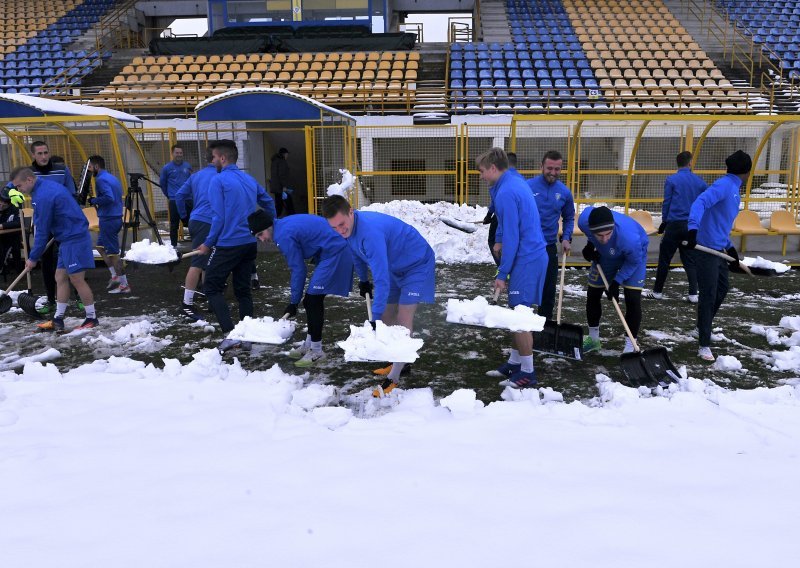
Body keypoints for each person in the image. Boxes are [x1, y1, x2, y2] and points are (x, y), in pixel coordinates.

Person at [322, 194, 435, 397]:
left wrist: (372, 319)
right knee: (386, 317)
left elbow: (382, 280)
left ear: (351, 212)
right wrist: (364, 280)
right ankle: (399, 360)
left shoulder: (370, 233)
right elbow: (356, 254)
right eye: (334, 228)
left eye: (341, 224)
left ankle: (395, 376)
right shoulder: (350, 230)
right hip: (395, 265)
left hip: (416, 263)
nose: (340, 231)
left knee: (402, 318)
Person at [195, 140, 275, 352]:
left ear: (222, 158)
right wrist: (268, 225)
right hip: (249, 244)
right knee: (243, 291)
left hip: (228, 245)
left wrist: (207, 243)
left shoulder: (218, 181)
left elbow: (219, 217)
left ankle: (230, 335)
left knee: (211, 287)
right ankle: (246, 335)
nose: (212, 162)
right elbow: (267, 201)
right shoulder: (248, 179)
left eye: (213, 158)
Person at [478, 148, 548, 388]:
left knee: (520, 317)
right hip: (527, 255)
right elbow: (504, 221)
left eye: (483, 171)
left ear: (494, 169)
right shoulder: (511, 181)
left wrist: (502, 273)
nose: (481, 176)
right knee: (514, 312)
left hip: (527, 257)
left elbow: (514, 236)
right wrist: (497, 238)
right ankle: (515, 363)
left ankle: (528, 373)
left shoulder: (507, 191)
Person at [249, 210, 354, 367]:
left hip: (336, 251)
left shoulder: (283, 235)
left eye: (261, 234)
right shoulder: (281, 227)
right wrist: (296, 302)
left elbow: (298, 269)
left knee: (313, 301)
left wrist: (293, 302)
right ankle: (310, 344)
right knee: (310, 301)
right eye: (258, 238)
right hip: (329, 250)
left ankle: (317, 351)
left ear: (269, 226)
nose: (262, 239)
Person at [683, 150, 751, 362]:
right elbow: (699, 203)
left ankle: (702, 326)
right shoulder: (724, 186)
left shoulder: (733, 189)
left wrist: (729, 247)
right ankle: (704, 344)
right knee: (708, 295)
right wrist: (693, 229)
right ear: (747, 172)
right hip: (706, 250)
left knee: (722, 288)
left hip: (719, 249)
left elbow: (719, 221)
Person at [11, 167, 98, 331]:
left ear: (29, 180)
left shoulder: (44, 195)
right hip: (65, 238)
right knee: (60, 276)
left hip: (75, 238)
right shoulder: (42, 189)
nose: (19, 190)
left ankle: (91, 318)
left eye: (19, 186)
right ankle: (58, 318)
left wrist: (33, 258)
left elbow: (42, 232)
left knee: (77, 279)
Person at [579, 206, 649, 354]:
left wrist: (616, 282)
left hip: (633, 257)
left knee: (632, 298)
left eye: (608, 234)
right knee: (593, 293)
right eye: (599, 235)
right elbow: (593, 235)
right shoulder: (584, 221)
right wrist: (590, 245)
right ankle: (593, 340)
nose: (604, 239)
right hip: (607, 256)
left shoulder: (630, 239)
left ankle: (630, 345)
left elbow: (633, 262)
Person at [644, 151, 707, 303]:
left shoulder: (672, 180)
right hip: (691, 226)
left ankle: (658, 291)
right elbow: (705, 200)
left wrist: (664, 221)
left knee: (665, 259)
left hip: (674, 225)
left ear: (677, 163)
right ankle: (693, 294)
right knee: (689, 260)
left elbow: (667, 202)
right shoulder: (699, 181)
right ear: (690, 162)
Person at [527, 150, 575, 320]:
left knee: (548, 291)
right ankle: (523, 327)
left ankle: (543, 327)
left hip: (548, 247)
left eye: (557, 169)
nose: (553, 173)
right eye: (549, 168)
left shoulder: (564, 192)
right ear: (541, 167)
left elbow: (569, 217)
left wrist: (567, 237)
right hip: (527, 247)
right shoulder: (528, 187)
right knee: (525, 289)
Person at [29, 141, 77, 314]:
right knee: (47, 261)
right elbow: (14, 188)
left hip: (63, 224)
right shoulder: (29, 174)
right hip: (43, 224)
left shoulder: (61, 170)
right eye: (39, 153)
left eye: (45, 152)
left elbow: (72, 194)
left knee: (70, 259)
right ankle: (51, 299)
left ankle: (78, 295)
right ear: (33, 155)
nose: (43, 156)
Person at [175, 146, 217, 320]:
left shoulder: (196, 175)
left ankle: (209, 297)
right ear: (217, 158)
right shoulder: (220, 176)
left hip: (197, 220)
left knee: (208, 261)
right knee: (199, 262)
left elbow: (179, 195)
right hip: (207, 221)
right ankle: (187, 304)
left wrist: (184, 216)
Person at [87, 155, 129, 294]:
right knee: (100, 247)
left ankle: (124, 285)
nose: (89, 170)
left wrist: (94, 201)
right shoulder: (111, 177)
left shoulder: (100, 180)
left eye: (90, 167)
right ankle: (115, 276)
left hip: (109, 219)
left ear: (96, 167)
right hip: (113, 217)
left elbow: (109, 197)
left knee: (113, 254)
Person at [483, 151, 522, 266]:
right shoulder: (521, 179)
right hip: (519, 218)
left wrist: (489, 215)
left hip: (503, 216)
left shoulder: (499, 180)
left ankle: (503, 267)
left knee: (493, 241)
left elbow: (497, 202)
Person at [159, 144, 193, 247]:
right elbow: (162, 184)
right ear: (172, 154)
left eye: (181, 153)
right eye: (177, 153)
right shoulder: (166, 168)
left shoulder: (188, 166)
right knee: (174, 225)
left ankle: (195, 246)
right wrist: (169, 195)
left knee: (192, 223)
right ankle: (173, 247)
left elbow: (192, 182)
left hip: (187, 200)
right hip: (174, 200)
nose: (179, 155)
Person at [0, 187, 22, 277]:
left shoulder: (15, 208)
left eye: (5, 203)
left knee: (4, 248)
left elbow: (19, 222)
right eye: (1, 201)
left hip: (11, 238)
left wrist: (2, 225)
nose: (2, 204)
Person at [270, 147, 295, 217]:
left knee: (279, 204)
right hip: (281, 188)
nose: (287, 156)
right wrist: (284, 186)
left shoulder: (274, 161)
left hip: (276, 187)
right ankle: (293, 219)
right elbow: (282, 175)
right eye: (287, 154)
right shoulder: (282, 161)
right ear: (284, 154)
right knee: (289, 204)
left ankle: (275, 218)